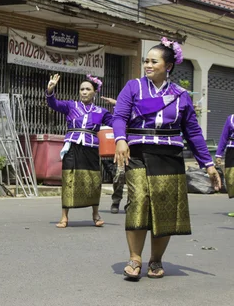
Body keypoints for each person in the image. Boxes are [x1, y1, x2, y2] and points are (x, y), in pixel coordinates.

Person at [113, 37, 221, 281]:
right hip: (139, 153)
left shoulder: (181, 95)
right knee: (138, 201)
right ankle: (135, 259)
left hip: (170, 155)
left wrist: (209, 164)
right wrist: (120, 139)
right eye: (146, 61)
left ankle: (156, 259)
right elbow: (119, 116)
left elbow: (193, 132)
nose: (148, 65)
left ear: (168, 66)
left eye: (154, 61)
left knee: (164, 209)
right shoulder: (133, 87)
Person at [46, 73, 113, 228]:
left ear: (94, 92)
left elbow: (117, 121)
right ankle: (64, 217)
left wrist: (119, 104)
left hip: (91, 148)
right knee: (69, 180)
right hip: (73, 146)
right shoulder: (71, 106)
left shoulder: (101, 112)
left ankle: (96, 215)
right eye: (82, 89)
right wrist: (50, 90)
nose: (84, 92)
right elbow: (53, 103)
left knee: (93, 181)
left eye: (87, 89)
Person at [215, 115, 234, 200]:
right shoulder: (231, 119)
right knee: (230, 178)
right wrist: (219, 154)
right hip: (231, 151)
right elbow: (224, 137)